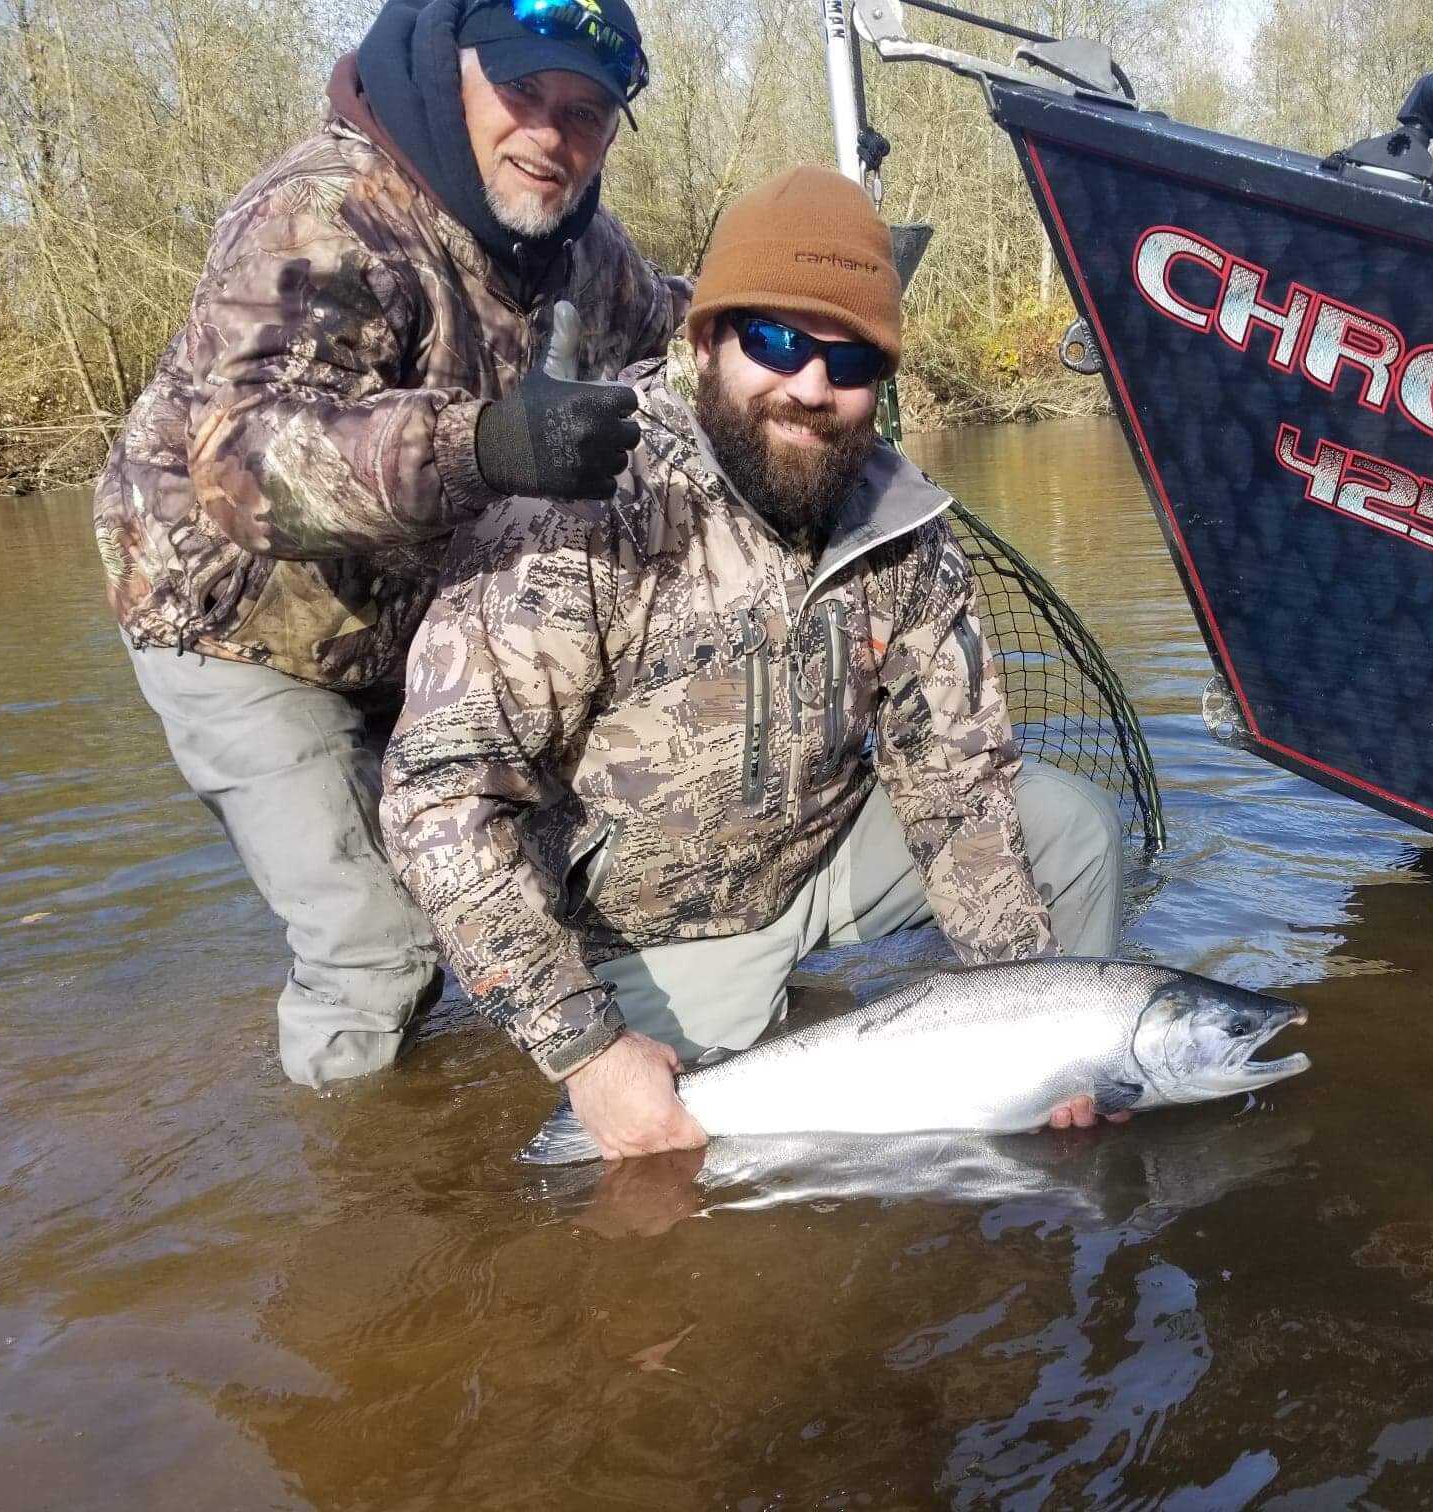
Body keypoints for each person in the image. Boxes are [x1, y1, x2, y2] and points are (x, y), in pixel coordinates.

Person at [381, 167, 1125, 1159]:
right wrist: (589, 1050)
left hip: (815, 856)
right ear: (706, 341)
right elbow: (437, 799)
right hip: (646, 925)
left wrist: (1034, 1021)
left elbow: (956, 789)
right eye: (777, 342)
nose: (812, 387)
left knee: (1069, 828)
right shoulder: (583, 504)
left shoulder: (903, 526)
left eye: (851, 358)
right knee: (688, 1172)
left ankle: (1056, 1120)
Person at [94, 0, 688, 1088]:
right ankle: (358, 1219)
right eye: (523, 96)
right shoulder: (321, 213)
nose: (552, 138)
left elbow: (671, 335)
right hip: (237, 625)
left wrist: (791, 325)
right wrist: (487, 443)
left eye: (587, 113)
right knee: (378, 951)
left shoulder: (581, 244)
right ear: (450, 71)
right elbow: (245, 463)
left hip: (416, 620)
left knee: (533, 874)